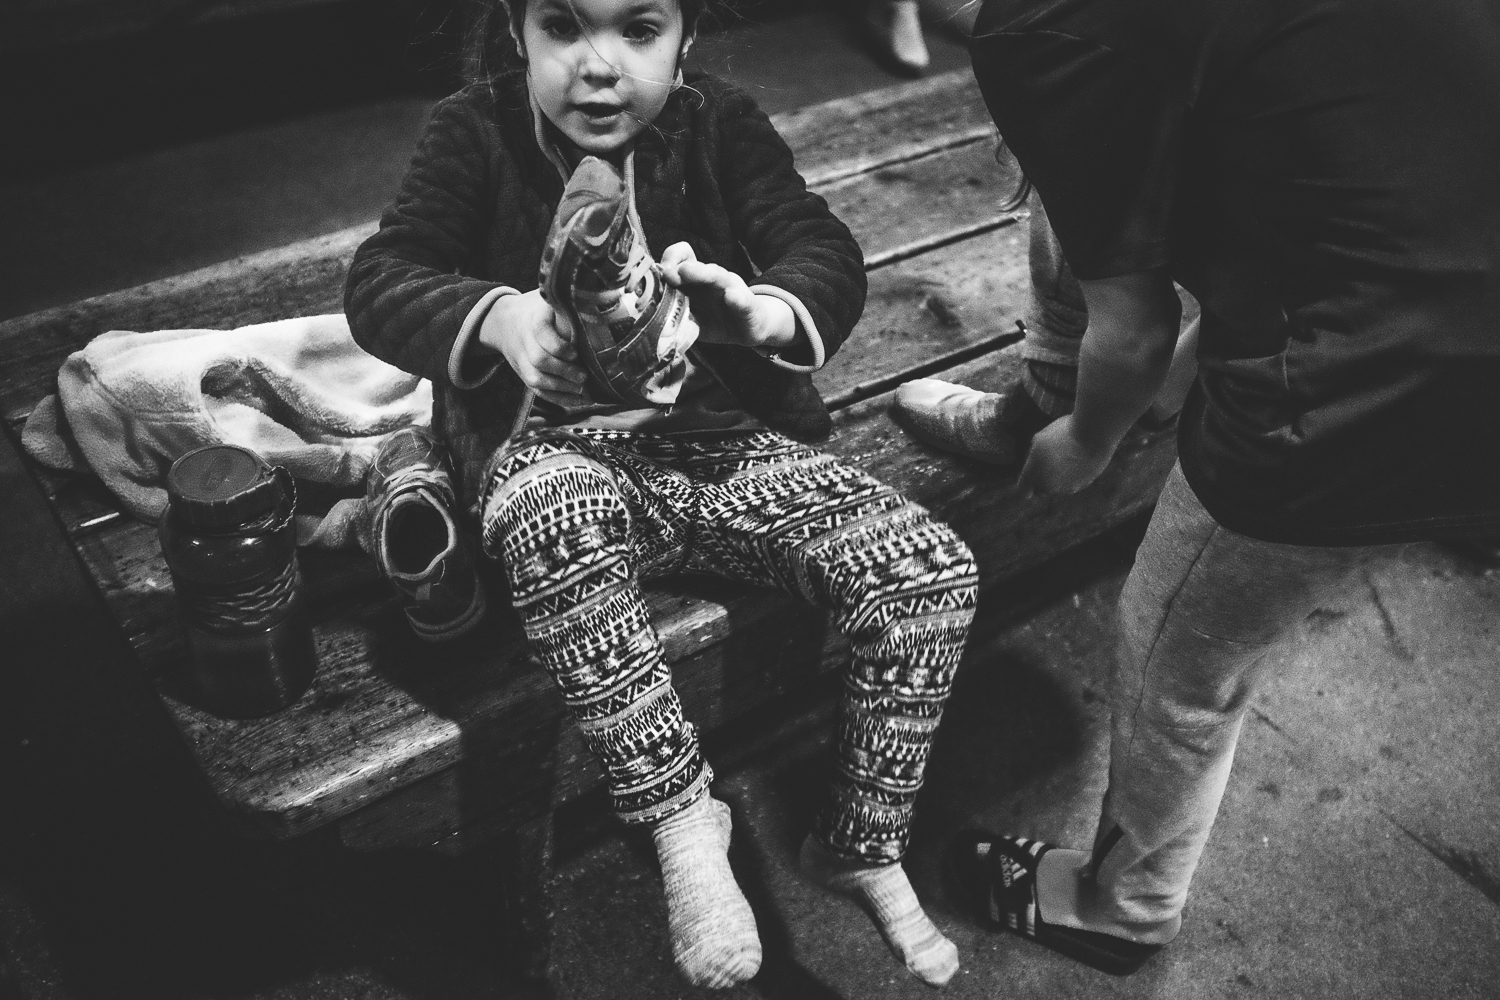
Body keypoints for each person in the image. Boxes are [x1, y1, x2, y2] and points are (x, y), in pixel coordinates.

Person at [343, 0, 977, 987]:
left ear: (689, 38)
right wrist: (500, 319)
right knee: (545, 514)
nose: (599, 67)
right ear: (517, 31)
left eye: (638, 29)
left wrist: (761, 314)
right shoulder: (472, 129)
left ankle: (861, 836)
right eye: (565, 26)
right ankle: (683, 816)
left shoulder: (721, 121)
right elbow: (381, 277)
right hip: (559, 459)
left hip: (725, 448)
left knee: (932, 573)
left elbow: (822, 248)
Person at [901, 0, 1500, 976]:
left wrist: (1085, 438)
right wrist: (1177, 378)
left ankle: (1119, 906)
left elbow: (1130, 329)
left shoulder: (1037, 24)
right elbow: (1341, 190)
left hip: (1361, 396)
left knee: (1180, 660)